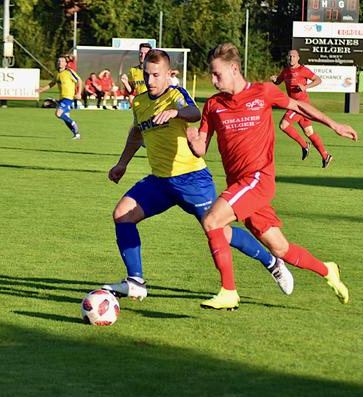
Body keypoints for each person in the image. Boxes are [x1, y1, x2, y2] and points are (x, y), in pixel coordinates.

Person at [102, 49, 294, 301]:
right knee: (122, 215)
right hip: (160, 181)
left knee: (220, 231)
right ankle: (136, 281)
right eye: (147, 75)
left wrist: (175, 113)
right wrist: (122, 164)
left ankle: (272, 263)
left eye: (156, 75)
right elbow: (137, 133)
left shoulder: (176, 95)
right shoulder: (139, 102)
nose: (151, 81)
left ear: (169, 75)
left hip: (192, 180)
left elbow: (193, 112)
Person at [187, 43, 358, 310]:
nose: (213, 79)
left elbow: (299, 107)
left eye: (217, 74)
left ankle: (229, 291)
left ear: (234, 69)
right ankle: (327, 270)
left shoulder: (263, 92)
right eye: (211, 74)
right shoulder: (213, 105)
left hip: (258, 179)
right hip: (240, 187)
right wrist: (190, 136)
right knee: (280, 249)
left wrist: (334, 125)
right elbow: (200, 149)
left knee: (211, 220)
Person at [271, 49, 331, 168]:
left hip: (300, 105)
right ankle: (325, 156)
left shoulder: (303, 70)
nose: (291, 58)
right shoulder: (286, 71)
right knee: (309, 132)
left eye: (293, 56)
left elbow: (318, 80)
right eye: (289, 56)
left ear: (298, 58)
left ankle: (305, 145)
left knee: (284, 125)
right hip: (296, 105)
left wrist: (305, 87)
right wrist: (275, 80)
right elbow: (279, 81)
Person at [37, 56, 81, 140]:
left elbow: (79, 80)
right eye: (59, 61)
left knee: (58, 114)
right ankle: (77, 134)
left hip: (68, 97)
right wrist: (42, 89)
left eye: (62, 61)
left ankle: (73, 123)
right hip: (62, 98)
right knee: (65, 118)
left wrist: (78, 93)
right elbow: (52, 84)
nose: (60, 62)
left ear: (65, 63)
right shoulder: (57, 73)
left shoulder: (69, 71)